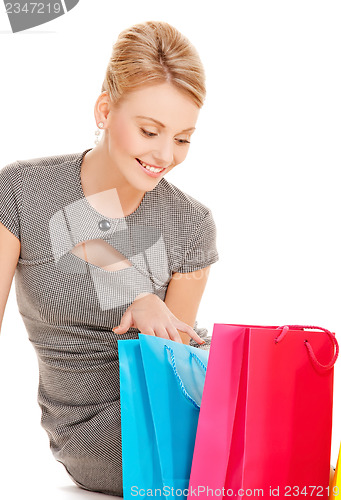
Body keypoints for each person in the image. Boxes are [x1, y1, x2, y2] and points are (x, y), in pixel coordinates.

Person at [0, 20, 219, 497]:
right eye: (149, 131)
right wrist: (135, 290)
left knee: (277, 405)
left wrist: (173, 331)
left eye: (183, 138)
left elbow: (172, 375)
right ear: (104, 110)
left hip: (165, 406)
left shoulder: (191, 223)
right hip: (96, 434)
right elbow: (69, 229)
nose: (165, 154)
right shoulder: (20, 191)